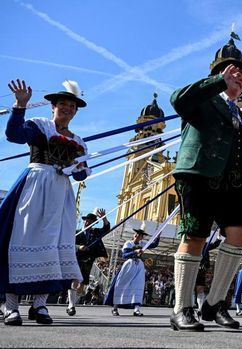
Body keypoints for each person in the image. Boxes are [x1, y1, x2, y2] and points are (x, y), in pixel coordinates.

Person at [168, 33, 242, 331]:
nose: (240, 78)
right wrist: (217, 83)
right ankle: (181, 308)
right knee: (195, 236)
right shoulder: (202, 99)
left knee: (241, 233)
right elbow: (177, 99)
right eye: (234, 73)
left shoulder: (239, 115)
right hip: (198, 176)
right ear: (218, 75)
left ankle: (214, 303)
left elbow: (234, 152)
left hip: (232, 183)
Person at [1, 79, 90, 326]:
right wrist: (20, 106)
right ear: (53, 106)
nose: (67, 108)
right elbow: (14, 135)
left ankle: (40, 306)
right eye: (62, 104)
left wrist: (78, 167)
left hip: (60, 194)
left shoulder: (79, 141)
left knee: (52, 244)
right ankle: (11, 307)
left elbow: (81, 174)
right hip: (35, 185)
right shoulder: (39, 126)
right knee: (22, 238)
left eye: (72, 106)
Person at [104, 226, 159, 316]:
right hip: (129, 265)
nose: (138, 235)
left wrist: (158, 236)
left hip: (139, 266)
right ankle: (115, 308)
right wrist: (135, 252)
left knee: (138, 285)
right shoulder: (128, 243)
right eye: (137, 234)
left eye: (140, 235)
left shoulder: (143, 243)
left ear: (142, 237)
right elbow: (125, 255)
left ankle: (136, 309)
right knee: (121, 284)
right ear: (134, 235)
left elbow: (154, 244)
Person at [67, 209, 109, 316]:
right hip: (76, 260)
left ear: (93, 223)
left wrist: (104, 218)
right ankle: (71, 305)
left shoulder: (95, 233)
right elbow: (69, 244)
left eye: (90, 221)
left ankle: (73, 302)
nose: (87, 222)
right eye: (86, 220)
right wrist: (78, 247)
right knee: (74, 281)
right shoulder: (77, 233)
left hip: (88, 262)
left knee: (82, 286)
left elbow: (106, 229)